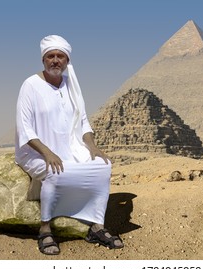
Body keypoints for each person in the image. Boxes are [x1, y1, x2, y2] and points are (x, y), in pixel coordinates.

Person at [15, 35, 123, 255]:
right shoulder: (30, 85)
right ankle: (45, 229)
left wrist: (92, 146)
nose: (55, 60)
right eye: (50, 56)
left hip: (69, 146)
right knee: (55, 171)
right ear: (43, 59)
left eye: (60, 56)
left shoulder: (71, 85)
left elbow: (83, 120)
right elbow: (24, 127)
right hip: (35, 151)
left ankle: (96, 226)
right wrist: (47, 152)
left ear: (67, 60)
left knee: (103, 166)